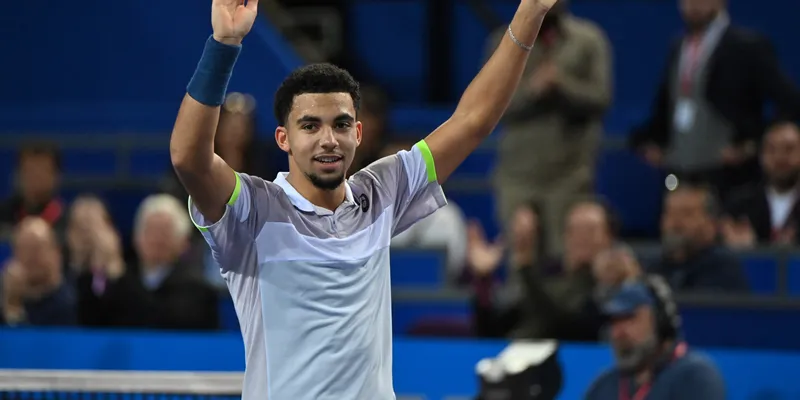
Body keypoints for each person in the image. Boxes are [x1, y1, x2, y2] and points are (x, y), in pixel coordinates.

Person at [169, 0, 559, 398]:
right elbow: (189, 158)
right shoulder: (252, 209)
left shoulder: (381, 190)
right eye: (310, 126)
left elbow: (473, 120)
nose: (328, 139)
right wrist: (225, 42)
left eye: (340, 125)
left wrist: (529, 13)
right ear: (283, 139)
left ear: (357, 133)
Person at [629, 0, 800, 200]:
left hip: (727, 176)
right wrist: (649, 142)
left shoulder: (746, 45)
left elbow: (790, 102)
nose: (693, 4)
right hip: (679, 171)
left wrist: (753, 144)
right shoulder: (679, 46)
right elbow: (669, 105)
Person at [585, 276, 725, 400]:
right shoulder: (604, 387)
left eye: (629, 318)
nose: (618, 333)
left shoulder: (694, 377)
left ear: (660, 322)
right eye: (613, 322)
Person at [723, 122, 800, 247]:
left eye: (789, 149)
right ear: (761, 156)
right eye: (771, 150)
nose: (780, 157)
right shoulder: (739, 204)